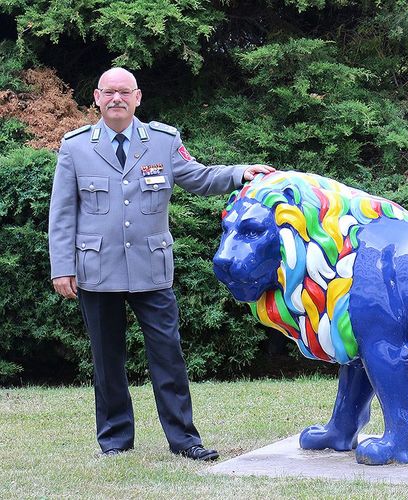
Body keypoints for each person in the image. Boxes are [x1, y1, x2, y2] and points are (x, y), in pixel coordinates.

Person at [48, 67, 275, 461]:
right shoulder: (76, 147)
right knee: (107, 360)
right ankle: (116, 441)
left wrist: (240, 173)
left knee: (168, 355)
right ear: (97, 98)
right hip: (96, 270)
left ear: (138, 98)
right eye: (109, 92)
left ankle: (185, 440)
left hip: (151, 270)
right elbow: (63, 212)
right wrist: (61, 266)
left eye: (125, 92)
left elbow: (199, 177)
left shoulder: (163, 141)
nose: (117, 99)